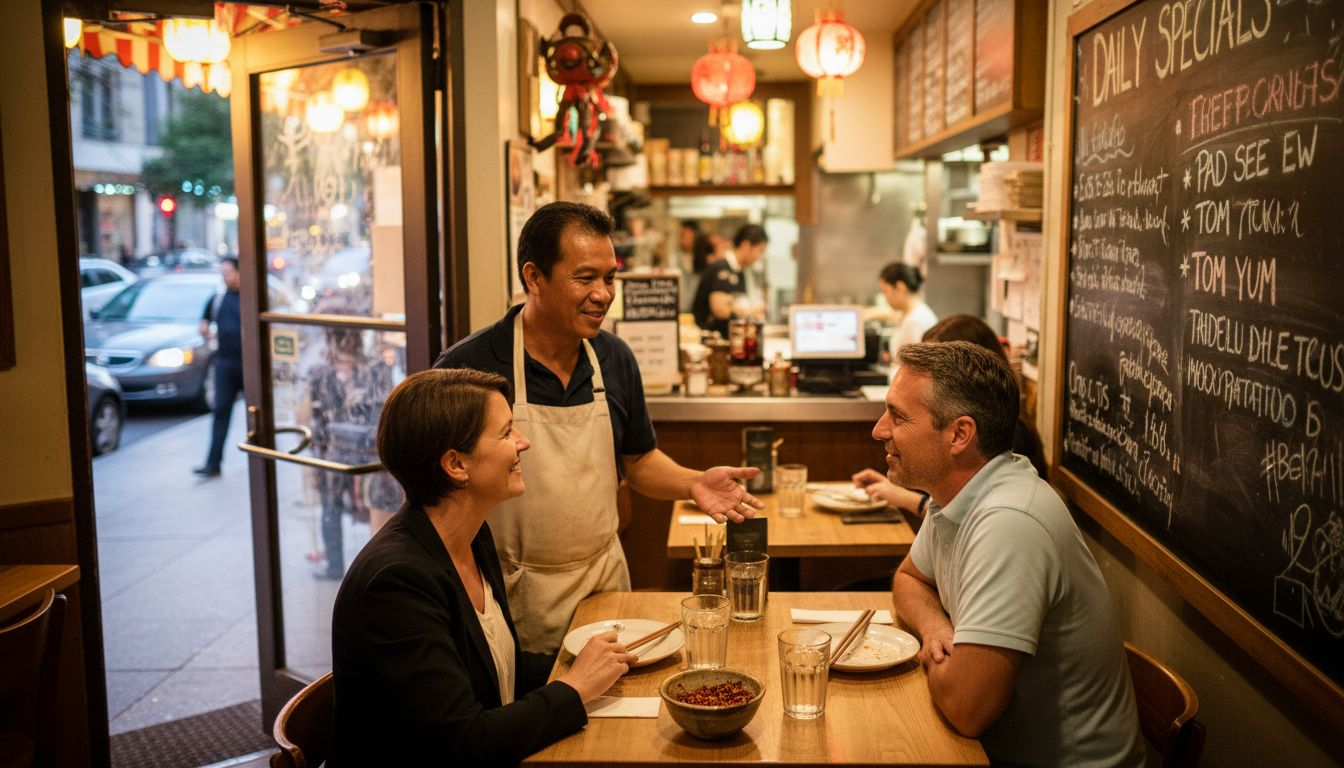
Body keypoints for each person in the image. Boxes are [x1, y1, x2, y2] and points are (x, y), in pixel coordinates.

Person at [434, 201, 763, 653]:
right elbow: (436, 495)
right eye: (585, 278)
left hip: (605, 584)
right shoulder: (469, 368)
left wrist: (694, 483)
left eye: (609, 278)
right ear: (533, 278)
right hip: (512, 592)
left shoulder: (614, 358)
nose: (604, 294)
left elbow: (639, 459)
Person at [330, 368, 637, 765]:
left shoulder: (473, 537)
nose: (523, 443)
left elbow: (496, 666)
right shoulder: (396, 582)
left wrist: (596, 663)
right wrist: (574, 688)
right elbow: (465, 742)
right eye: (507, 432)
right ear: (456, 465)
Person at [882, 342, 1144, 767]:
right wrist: (934, 631)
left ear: (959, 435)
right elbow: (910, 579)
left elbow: (967, 709)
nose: (879, 430)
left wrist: (941, 663)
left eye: (898, 416)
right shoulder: (957, 493)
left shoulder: (1010, 522)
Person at [853, 314, 1048, 519]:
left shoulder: (1006, 515)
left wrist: (902, 497)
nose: (877, 432)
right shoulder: (945, 498)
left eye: (938, 363)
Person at [305, 325, 382, 580]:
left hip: (366, 450)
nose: (342, 345)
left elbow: (379, 410)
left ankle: (375, 568)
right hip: (333, 451)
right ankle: (335, 564)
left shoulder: (372, 369)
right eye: (337, 339)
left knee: (372, 505)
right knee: (331, 507)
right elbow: (315, 417)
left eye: (347, 338)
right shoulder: (320, 374)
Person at [194, 257, 243, 478]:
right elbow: (203, 323)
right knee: (221, 411)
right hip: (224, 361)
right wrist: (206, 330)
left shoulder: (250, 296)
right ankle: (213, 463)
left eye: (229, 272)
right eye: (222, 272)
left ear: (241, 272)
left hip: (248, 362)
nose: (225, 277)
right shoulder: (218, 297)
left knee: (257, 414)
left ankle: (263, 459)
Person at [691, 223, 768, 338]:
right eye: (760, 250)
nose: (760, 256)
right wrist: (750, 311)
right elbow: (719, 308)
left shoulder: (740, 271)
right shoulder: (722, 268)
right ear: (746, 246)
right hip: (710, 343)